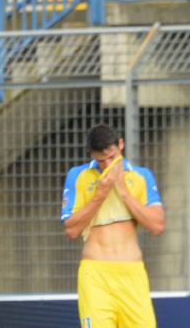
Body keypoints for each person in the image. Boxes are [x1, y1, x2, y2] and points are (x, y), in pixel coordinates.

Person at [61, 123, 165, 328]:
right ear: (91, 154)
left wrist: (123, 190)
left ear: (121, 144)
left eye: (112, 157)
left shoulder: (141, 176)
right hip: (95, 276)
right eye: (101, 161)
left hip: (132, 274)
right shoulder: (78, 176)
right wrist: (100, 194)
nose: (108, 165)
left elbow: (157, 226)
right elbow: (71, 229)